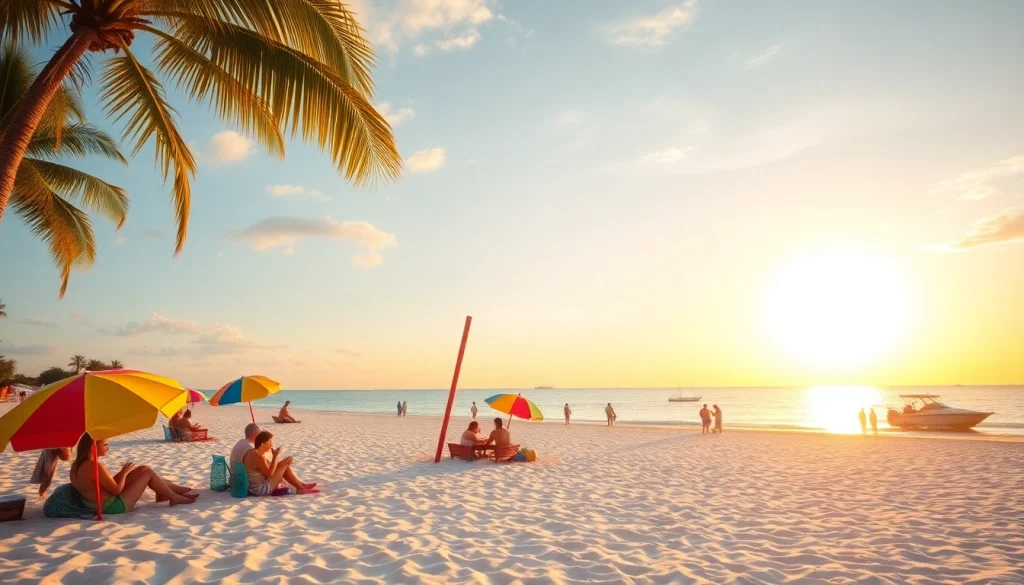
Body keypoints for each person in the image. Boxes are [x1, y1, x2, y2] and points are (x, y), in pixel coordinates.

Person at [69, 433, 197, 514]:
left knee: (143, 469)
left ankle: (169, 492)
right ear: (93, 447)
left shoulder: (77, 465)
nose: (107, 448)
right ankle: (175, 497)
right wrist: (124, 473)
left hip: (98, 504)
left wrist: (124, 472)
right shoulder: (94, 466)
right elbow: (116, 490)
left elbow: (103, 486)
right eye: (105, 444)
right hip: (112, 507)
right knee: (148, 473)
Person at [231, 423, 315, 492]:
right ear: (254, 436)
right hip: (256, 487)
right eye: (261, 435)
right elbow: (268, 473)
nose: (263, 437)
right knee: (284, 463)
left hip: (241, 481)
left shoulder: (241, 443)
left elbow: (259, 466)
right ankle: (300, 487)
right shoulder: (252, 450)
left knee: (281, 464)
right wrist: (275, 457)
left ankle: (300, 484)